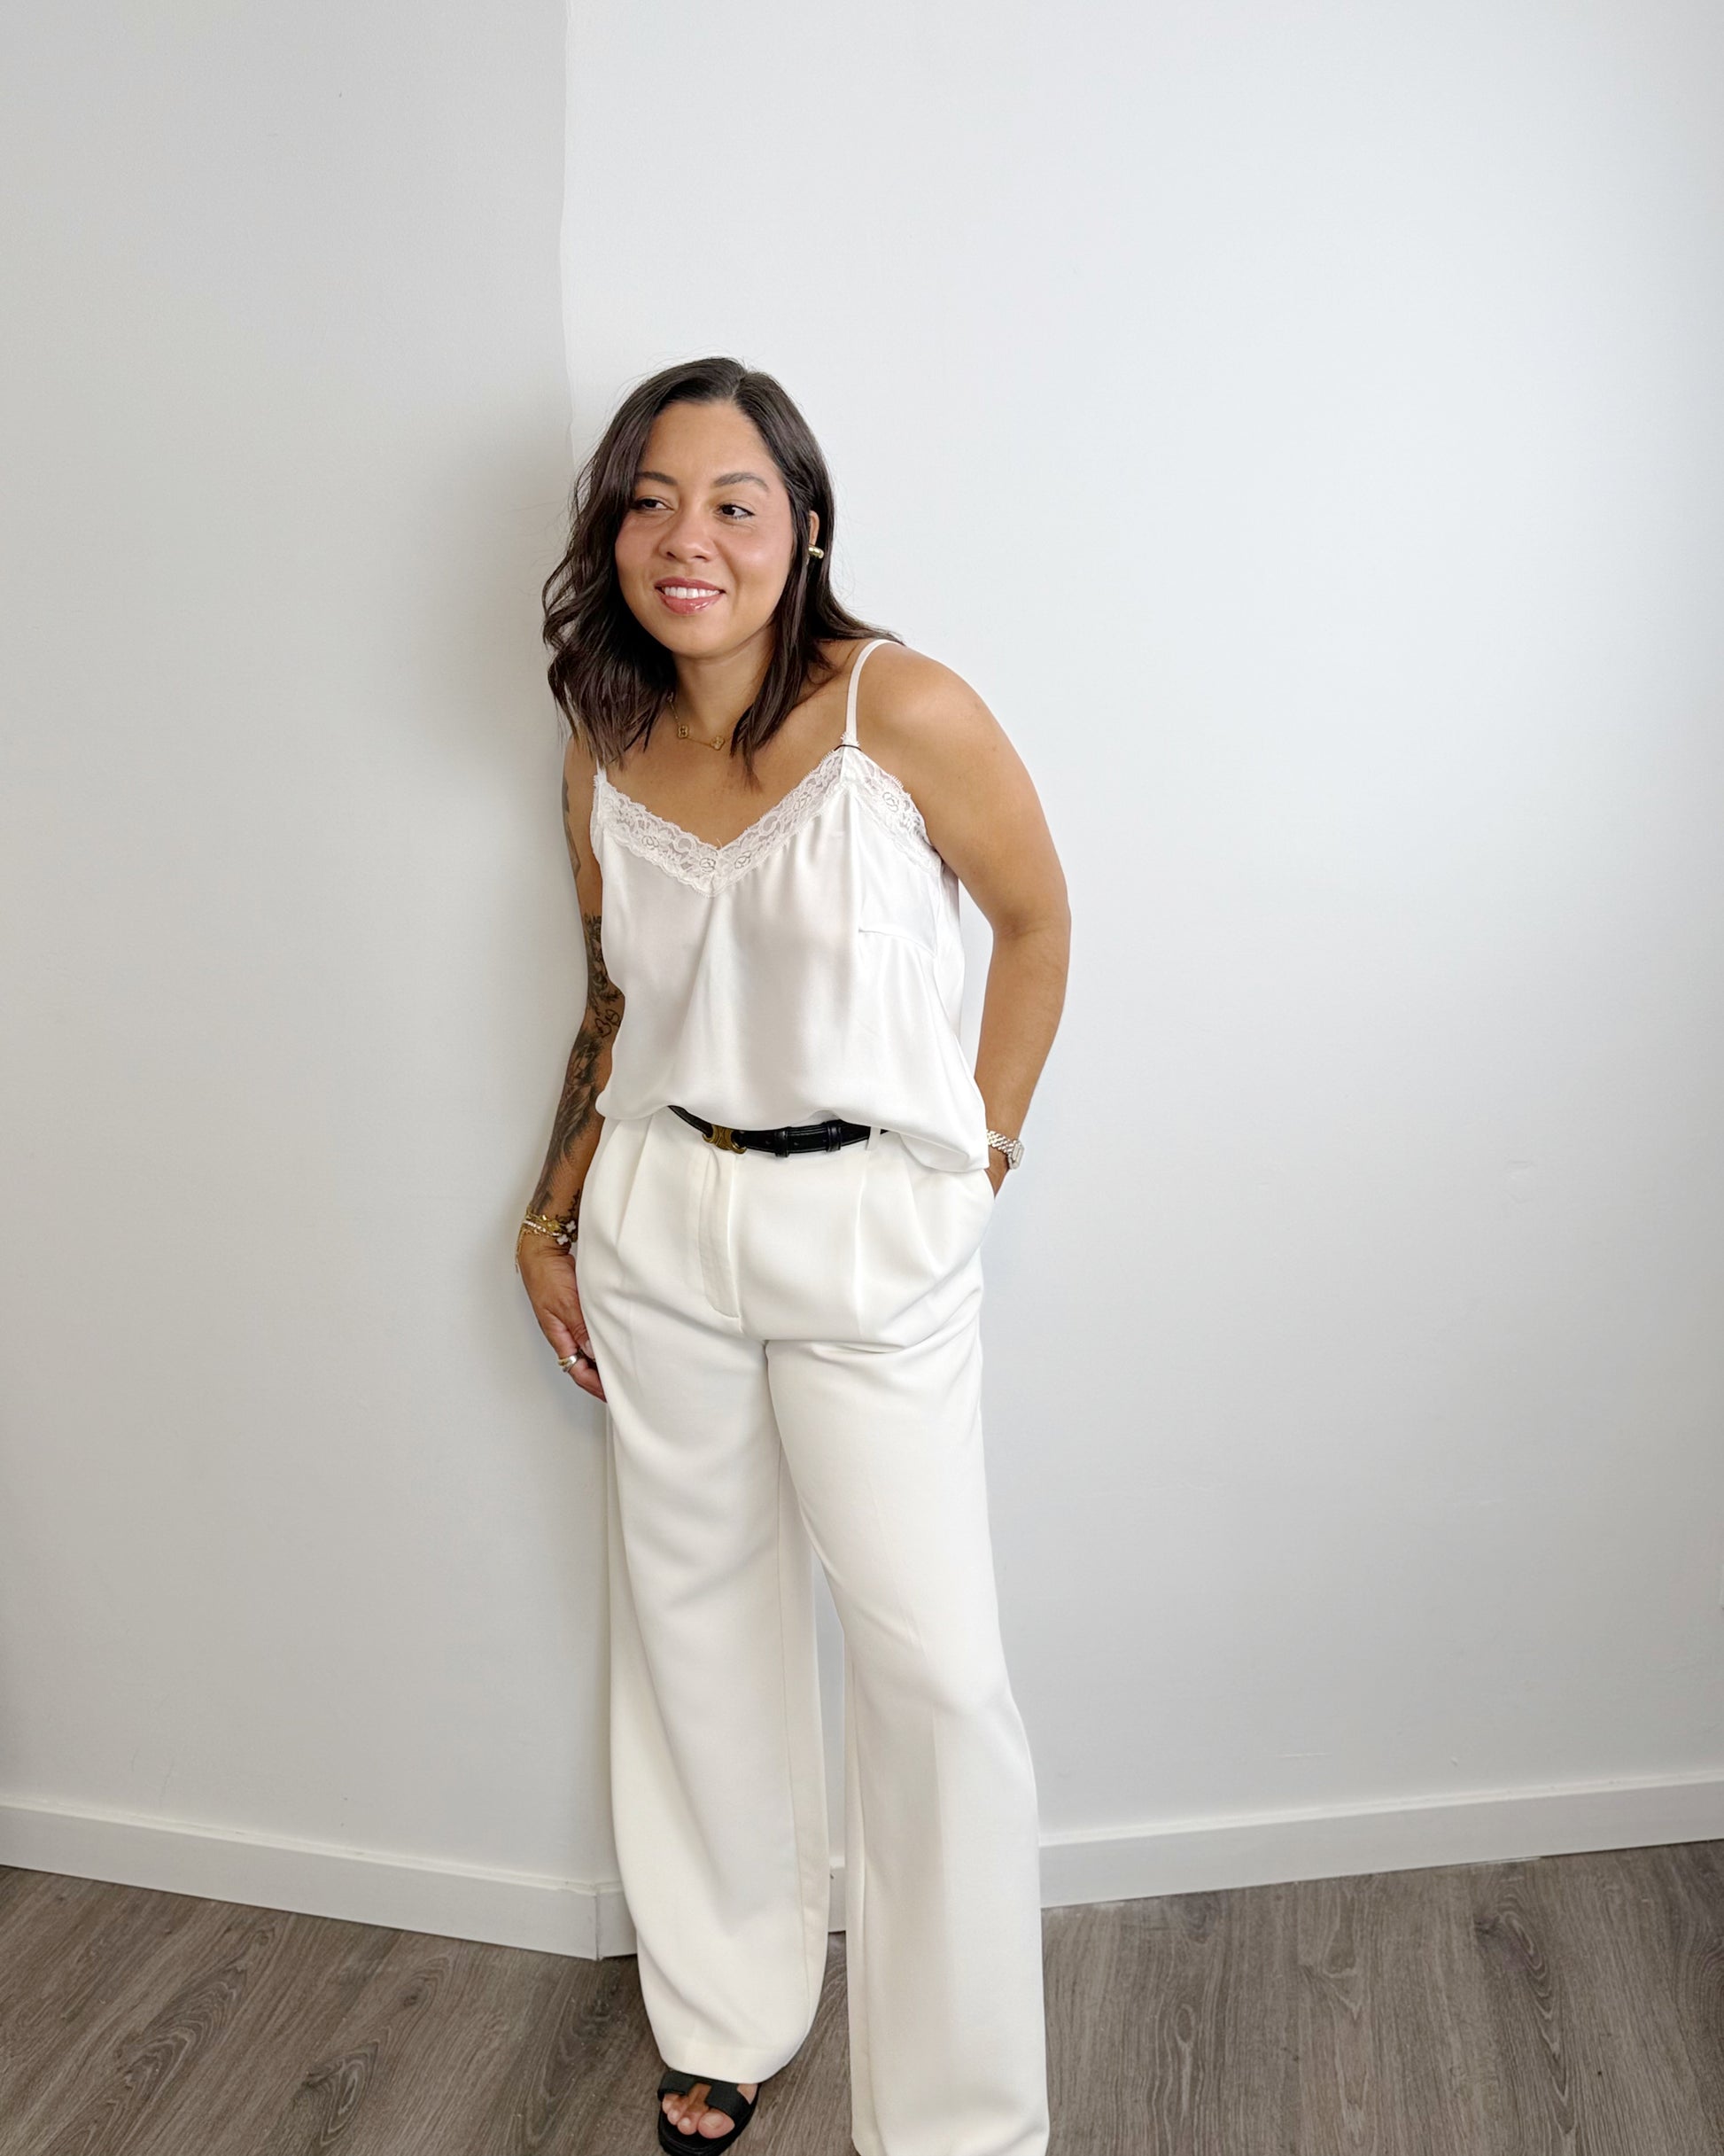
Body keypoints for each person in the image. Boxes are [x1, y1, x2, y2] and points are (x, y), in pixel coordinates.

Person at [517, 355, 1070, 2156]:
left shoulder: (897, 707)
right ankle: (727, 2008)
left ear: (804, 527)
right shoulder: (603, 736)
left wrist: (975, 1161)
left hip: (867, 1231)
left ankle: (961, 2116)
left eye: (733, 502)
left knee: (934, 1673)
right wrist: (549, 1210)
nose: (688, 537)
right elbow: (616, 997)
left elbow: (1036, 920)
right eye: (650, 501)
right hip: (659, 1222)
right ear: (614, 529)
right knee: (693, 1634)